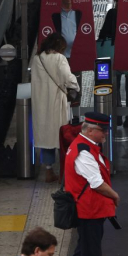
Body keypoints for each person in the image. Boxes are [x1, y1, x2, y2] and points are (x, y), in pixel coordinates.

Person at [60, 113, 120, 256]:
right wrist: (115, 195)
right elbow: (96, 183)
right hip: (89, 212)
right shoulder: (83, 151)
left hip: (92, 211)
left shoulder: (86, 146)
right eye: (103, 130)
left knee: (81, 254)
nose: (106, 134)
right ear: (91, 130)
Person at [30, 33, 79, 183]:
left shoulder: (37, 59)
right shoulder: (59, 58)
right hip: (56, 101)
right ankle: (65, 172)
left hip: (40, 102)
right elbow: (67, 77)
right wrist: (75, 86)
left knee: (46, 137)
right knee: (62, 135)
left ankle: (49, 171)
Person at [99, 0, 128, 128]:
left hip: (114, 53)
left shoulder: (112, 13)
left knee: (115, 85)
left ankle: (119, 116)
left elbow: (103, 33)